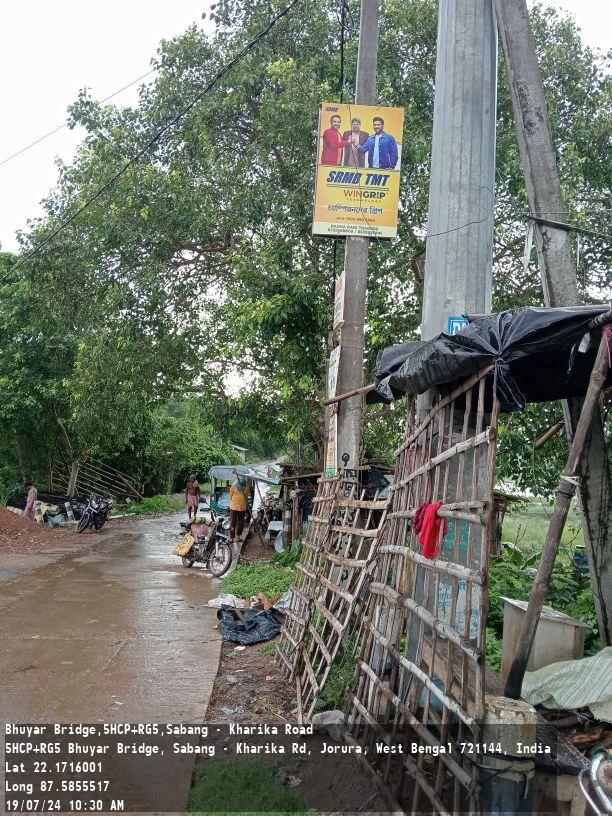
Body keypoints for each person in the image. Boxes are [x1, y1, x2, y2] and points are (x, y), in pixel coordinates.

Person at [229, 470, 251, 542]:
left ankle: (232, 537)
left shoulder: (233, 486)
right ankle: (237, 537)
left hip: (234, 507)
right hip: (241, 507)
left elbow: (231, 496)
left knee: (233, 522)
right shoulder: (247, 487)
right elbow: (246, 497)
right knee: (240, 522)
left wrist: (235, 501)